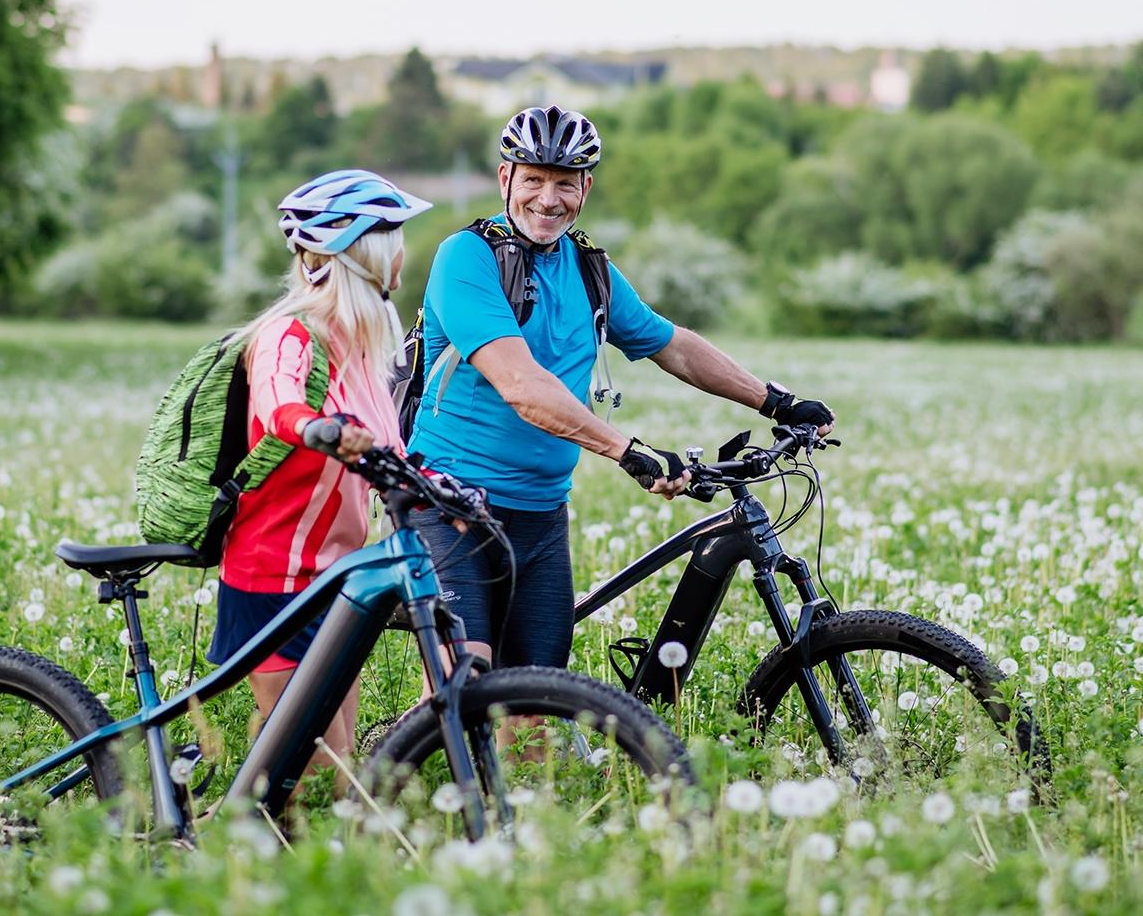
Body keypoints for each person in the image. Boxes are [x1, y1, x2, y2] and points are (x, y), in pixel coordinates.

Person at [406, 105, 836, 670]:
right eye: (532, 179)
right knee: (465, 682)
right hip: (452, 504)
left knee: (533, 704)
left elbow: (673, 345)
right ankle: (402, 759)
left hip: (540, 514)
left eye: (565, 183)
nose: (548, 198)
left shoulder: (588, 268)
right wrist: (626, 450)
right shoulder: (466, 257)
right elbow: (519, 383)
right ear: (505, 178)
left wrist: (774, 400)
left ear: (586, 187)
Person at [206, 168, 431, 781]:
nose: (402, 253)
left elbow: (392, 451)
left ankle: (310, 863)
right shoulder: (289, 332)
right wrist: (318, 429)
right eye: (390, 239)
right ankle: (229, 853)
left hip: (338, 575)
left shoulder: (363, 346)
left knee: (338, 766)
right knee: (304, 765)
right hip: (274, 575)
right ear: (360, 254)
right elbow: (280, 407)